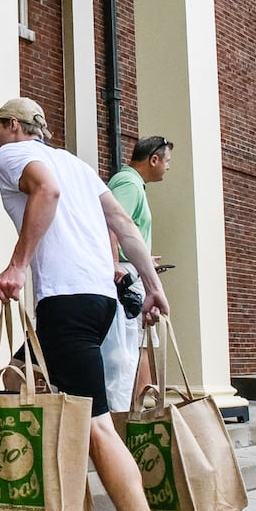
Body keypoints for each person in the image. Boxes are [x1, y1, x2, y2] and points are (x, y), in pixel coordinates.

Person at [0, 97, 200, 511]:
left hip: (66, 301)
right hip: (99, 302)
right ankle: (33, 500)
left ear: (16, 126)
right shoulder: (77, 164)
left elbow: (45, 192)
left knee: (98, 426)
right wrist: (152, 285)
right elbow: (123, 223)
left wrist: (16, 266)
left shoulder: (16, 157)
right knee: (32, 381)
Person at [104, 135, 173, 413]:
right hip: (127, 278)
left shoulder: (133, 184)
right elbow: (111, 221)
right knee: (137, 344)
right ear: (153, 159)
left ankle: (140, 411)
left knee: (143, 343)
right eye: (167, 161)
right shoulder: (128, 183)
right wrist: (115, 263)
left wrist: (142, 257)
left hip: (132, 271)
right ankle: (136, 415)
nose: (168, 167)